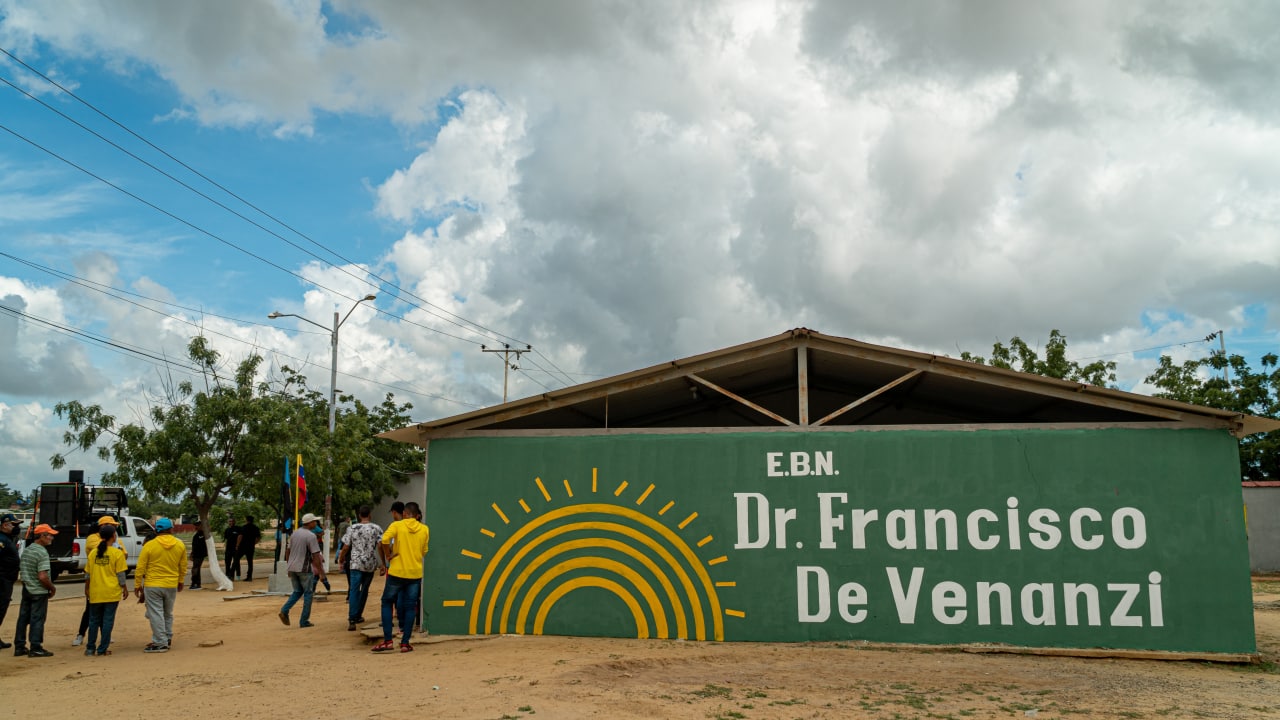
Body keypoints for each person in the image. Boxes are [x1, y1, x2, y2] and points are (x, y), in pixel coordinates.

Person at [372, 501, 429, 653]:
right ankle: (405, 643)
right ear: (417, 515)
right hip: (415, 573)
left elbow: (384, 540)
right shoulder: (424, 529)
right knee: (410, 607)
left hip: (397, 572)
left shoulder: (397, 526)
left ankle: (388, 641)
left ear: (404, 513)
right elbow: (424, 551)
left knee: (387, 602)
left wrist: (389, 554)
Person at [134, 517, 186, 653]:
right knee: (167, 613)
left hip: (153, 585)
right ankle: (167, 638)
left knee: (156, 613)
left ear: (156, 530)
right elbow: (183, 566)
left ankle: (160, 643)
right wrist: (180, 581)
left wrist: (138, 584)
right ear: (171, 529)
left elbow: (140, 567)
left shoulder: (150, 546)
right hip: (171, 584)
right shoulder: (180, 544)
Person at [13, 523, 58, 657]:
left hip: (27, 588)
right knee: (37, 619)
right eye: (49, 535)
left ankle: (19, 646)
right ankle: (36, 646)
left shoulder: (28, 550)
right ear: (42, 536)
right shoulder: (41, 552)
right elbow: (43, 576)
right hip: (39, 590)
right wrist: (52, 587)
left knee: (23, 618)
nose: (51, 538)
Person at [84, 524, 128, 656]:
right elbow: (121, 575)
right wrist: (124, 588)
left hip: (96, 592)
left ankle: (90, 648)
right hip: (111, 592)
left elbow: (88, 574)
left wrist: (87, 588)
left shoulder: (93, 553)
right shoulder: (117, 553)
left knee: (93, 620)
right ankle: (102, 648)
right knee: (108, 620)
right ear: (113, 536)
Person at [75, 515, 120, 646]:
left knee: (103, 614)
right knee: (91, 611)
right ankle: (81, 634)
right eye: (112, 525)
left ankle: (103, 637)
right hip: (97, 580)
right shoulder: (92, 538)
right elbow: (112, 551)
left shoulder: (115, 539)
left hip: (106, 581)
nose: (115, 527)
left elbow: (124, 552)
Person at [338, 505, 383, 631]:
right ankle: (358, 614)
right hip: (369, 563)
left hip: (356, 563)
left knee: (354, 590)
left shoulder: (352, 528)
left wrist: (341, 558)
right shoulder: (376, 528)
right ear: (370, 515)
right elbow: (380, 546)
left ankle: (352, 618)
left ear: (359, 516)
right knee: (364, 590)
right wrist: (383, 563)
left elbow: (346, 546)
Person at [278, 513, 327, 628]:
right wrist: (321, 572)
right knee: (308, 593)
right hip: (304, 568)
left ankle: (284, 610)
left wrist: (288, 566)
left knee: (297, 591)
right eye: (314, 521)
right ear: (310, 523)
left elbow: (288, 551)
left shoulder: (295, 533)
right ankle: (304, 620)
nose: (316, 523)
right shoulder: (311, 536)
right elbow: (315, 555)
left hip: (293, 567)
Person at [0, 512, 21, 650]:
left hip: (7, 579)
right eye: (14, 525)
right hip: (1, 580)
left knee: (2, 608)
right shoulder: (1, 540)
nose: (16, 528)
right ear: (5, 525)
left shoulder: (8, 539)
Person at [237, 516, 261, 581]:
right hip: (251, 547)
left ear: (246, 520)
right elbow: (258, 538)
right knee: (250, 562)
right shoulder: (255, 528)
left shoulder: (244, 527)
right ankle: (249, 576)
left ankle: (231, 574)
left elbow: (240, 536)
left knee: (236, 559)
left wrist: (237, 545)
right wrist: (254, 543)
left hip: (243, 546)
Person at [189, 524, 208, 589]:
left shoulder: (204, 534)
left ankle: (195, 583)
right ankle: (196, 583)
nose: (196, 527)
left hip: (200, 554)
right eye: (196, 526)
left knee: (195, 568)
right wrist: (192, 554)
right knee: (196, 568)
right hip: (196, 554)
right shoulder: (196, 535)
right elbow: (194, 546)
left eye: (198, 526)